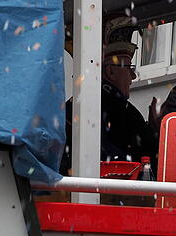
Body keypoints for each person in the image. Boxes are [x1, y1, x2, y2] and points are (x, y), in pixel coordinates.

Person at [62, 16, 158, 172]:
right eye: (129, 68)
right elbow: (150, 157)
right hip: (108, 194)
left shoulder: (73, 105)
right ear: (111, 71)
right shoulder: (121, 110)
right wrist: (156, 130)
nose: (133, 76)